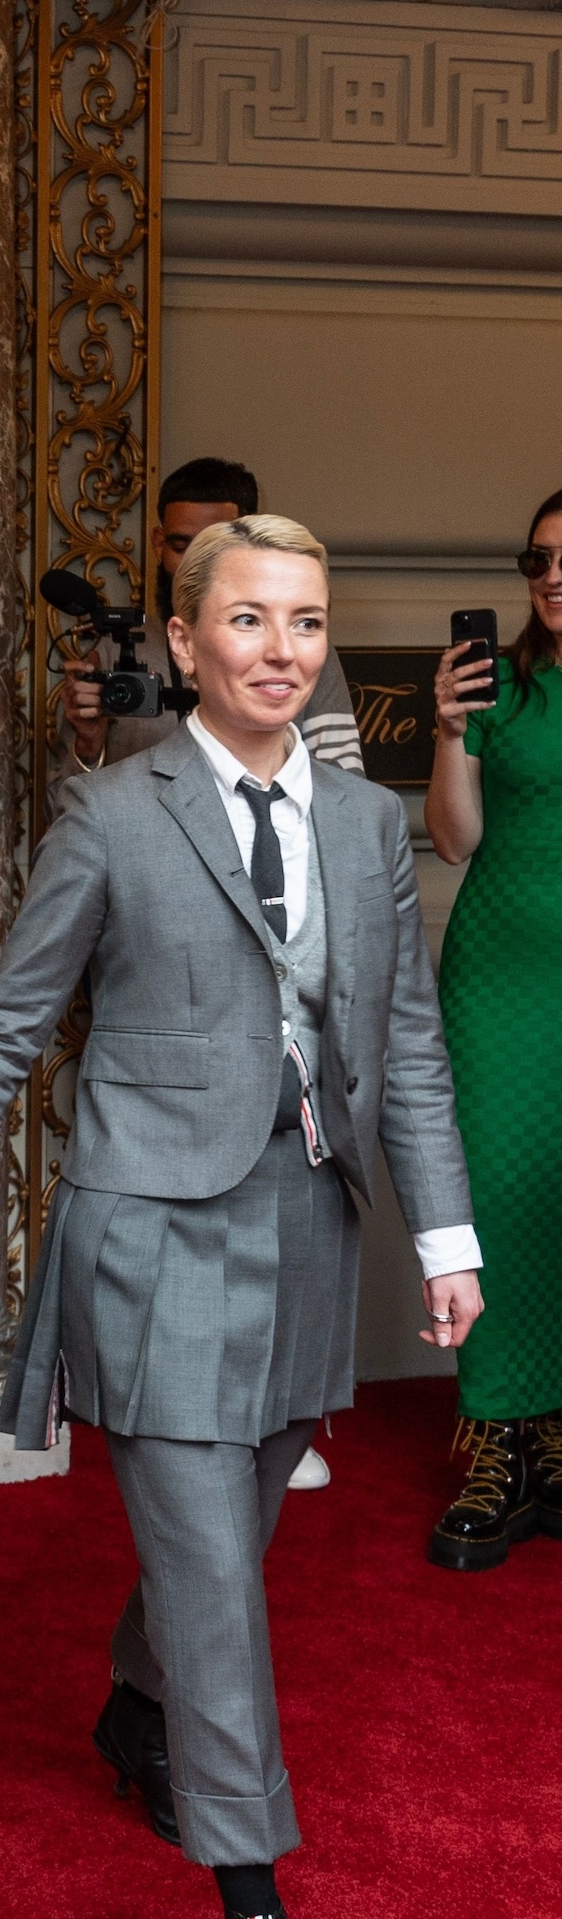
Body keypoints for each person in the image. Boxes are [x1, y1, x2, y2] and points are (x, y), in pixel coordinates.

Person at [0, 515, 482, 1919]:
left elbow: (406, 1042)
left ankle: (136, 1705)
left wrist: (443, 1239)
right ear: (184, 642)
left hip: (306, 1219)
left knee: (223, 1533)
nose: (281, 650)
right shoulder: (112, 813)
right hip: (146, 1229)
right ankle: (243, 1868)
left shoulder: (366, 824)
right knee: (207, 1561)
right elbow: (5, 1026)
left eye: (304, 622)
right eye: (246, 620)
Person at [58, 460, 359, 1499]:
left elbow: (347, 841)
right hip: (162, 1020)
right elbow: (94, 825)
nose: (280, 646)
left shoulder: (303, 684)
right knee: (195, 1490)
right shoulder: (129, 657)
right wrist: (89, 731)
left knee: (252, 1462)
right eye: (177, 541)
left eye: (306, 622)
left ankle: (149, 1669)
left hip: (295, 1097)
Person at [423, 485, 562, 1569]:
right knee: (499, 1202)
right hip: (501, 984)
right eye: (537, 559)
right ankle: (500, 1444)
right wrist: (447, 728)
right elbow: (456, 837)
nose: (550, 576)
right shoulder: (501, 688)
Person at [61, 459, 365, 780]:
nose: (195, 565)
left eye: (214, 548)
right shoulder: (112, 652)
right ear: (158, 544)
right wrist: (88, 746)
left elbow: (346, 790)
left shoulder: (299, 653)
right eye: (182, 546)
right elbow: (62, 813)